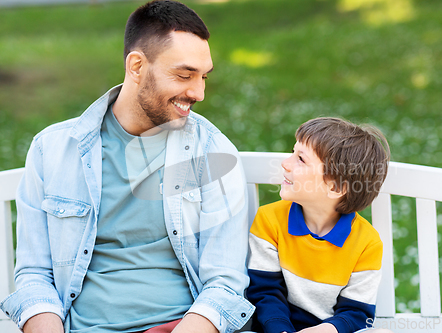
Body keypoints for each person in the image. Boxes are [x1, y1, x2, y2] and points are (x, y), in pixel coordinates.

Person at [0, 1, 254, 333]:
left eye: (203, 76)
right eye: (184, 74)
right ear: (136, 66)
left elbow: (225, 283)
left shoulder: (213, 153)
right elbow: (34, 275)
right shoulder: (53, 150)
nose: (199, 92)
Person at [246, 117, 391, 333]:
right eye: (292, 152)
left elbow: (357, 313)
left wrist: (326, 330)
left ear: (335, 187)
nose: (286, 163)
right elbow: (265, 293)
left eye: (301, 159)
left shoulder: (366, 243)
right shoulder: (269, 220)